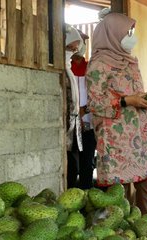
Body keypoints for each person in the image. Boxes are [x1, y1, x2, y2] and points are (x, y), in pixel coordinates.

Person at [86, 12, 147, 220]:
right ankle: (123, 236)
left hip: (139, 135)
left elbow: (136, 93)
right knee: (120, 194)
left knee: (146, 186)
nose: (131, 36)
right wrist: (127, 101)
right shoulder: (98, 64)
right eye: (127, 32)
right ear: (112, 34)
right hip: (115, 138)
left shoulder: (131, 62)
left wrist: (145, 103)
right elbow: (95, 103)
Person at [67, 30, 97, 190]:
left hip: (88, 124)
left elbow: (98, 95)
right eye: (74, 44)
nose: (78, 47)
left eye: (81, 43)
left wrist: (85, 110)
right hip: (71, 125)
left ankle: (86, 197)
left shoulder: (91, 68)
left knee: (87, 163)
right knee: (71, 165)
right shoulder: (65, 68)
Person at [64, 25, 85, 189]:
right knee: (70, 166)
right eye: (70, 47)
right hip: (65, 125)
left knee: (74, 167)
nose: (73, 51)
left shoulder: (68, 69)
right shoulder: (61, 70)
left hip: (74, 124)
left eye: (75, 49)